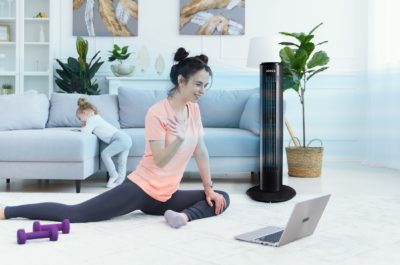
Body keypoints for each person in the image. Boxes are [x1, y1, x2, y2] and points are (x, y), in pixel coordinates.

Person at [0, 47, 230, 229]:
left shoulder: (194, 110)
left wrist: (208, 188)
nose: (202, 90)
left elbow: (201, 150)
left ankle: (182, 217)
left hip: (167, 196)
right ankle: (8, 211)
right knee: (77, 214)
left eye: (205, 86)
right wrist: (178, 140)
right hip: (141, 189)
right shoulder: (158, 112)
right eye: (198, 84)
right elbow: (160, 160)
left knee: (221, 198)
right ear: (182, 81)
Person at [76, 98, 132, 188]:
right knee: (121, 160)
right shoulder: (97, 118)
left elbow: (85, 132)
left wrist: (83, 124)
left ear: (84, 112)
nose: (80, 120)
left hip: (119, 138)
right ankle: (120, 181)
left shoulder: (91, 119)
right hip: (125, 138)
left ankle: (113, 174)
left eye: (79, 117)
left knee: (105, 154)